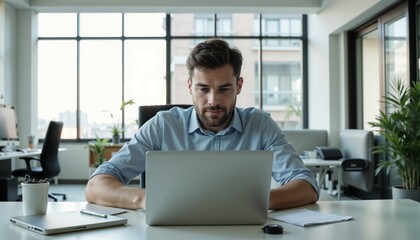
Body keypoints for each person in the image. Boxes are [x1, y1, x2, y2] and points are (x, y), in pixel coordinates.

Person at [85, 39, 319, 210]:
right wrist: (145, 199)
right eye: (203, 89)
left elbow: (306, 185)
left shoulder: (260, 125)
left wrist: (252, 203)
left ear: (239, 85)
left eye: (224, 89)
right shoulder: (163, 125)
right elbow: (97, 185)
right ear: (190, 86)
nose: (213, 100)